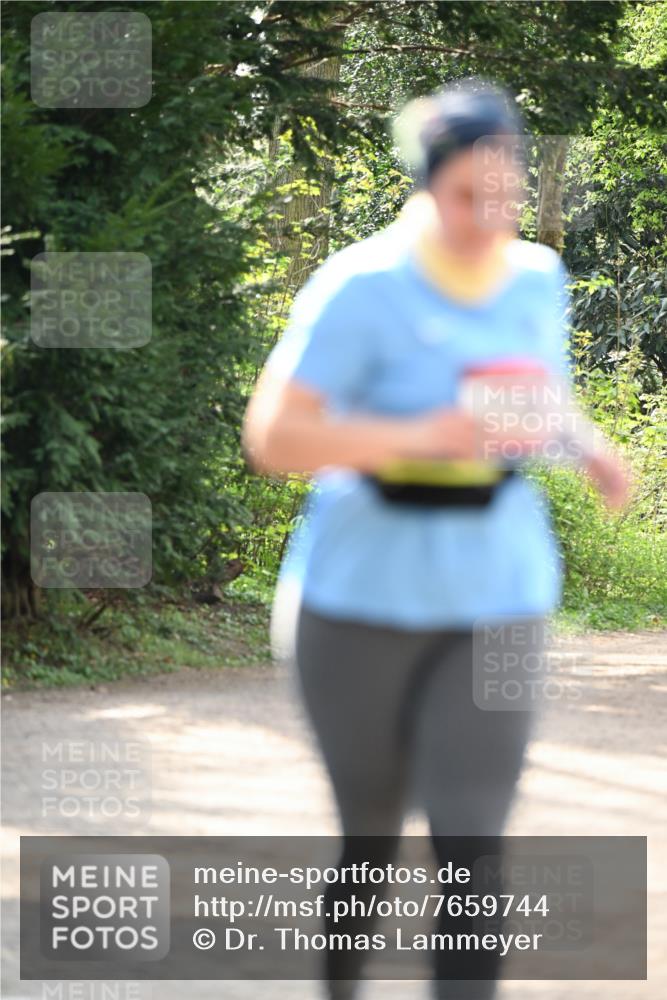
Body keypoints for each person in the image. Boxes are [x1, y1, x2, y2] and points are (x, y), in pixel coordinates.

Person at [242, 77, 630, 1000]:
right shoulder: (358, 287)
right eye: (465, 196)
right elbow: (274, 438)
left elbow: (536, 393)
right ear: (423, 185)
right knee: (370, 829)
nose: (485, 217)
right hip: (357, 596)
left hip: (497, 594)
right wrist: (420, 436)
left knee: (470, 840)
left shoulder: (537, 276)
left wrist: (587, 447)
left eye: (503, 195)